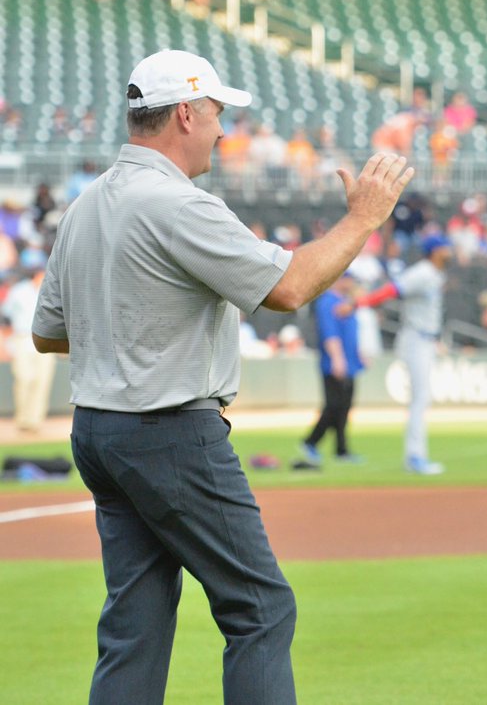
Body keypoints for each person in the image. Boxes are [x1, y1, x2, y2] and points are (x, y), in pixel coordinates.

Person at [30, 49, 414, 704]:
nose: (223, 129)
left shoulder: (88, 204)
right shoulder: (180, 205)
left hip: (97, 429)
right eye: (216, 113)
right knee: (260, 608)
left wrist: (131, 336)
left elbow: (47, 332)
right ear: (185, 112)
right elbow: (290, 287)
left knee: (135, 623)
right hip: (168, 431)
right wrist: (362, 220)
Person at [360, 234, 452, 474]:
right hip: (415, 338)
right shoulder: (422, 272)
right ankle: (414, 457)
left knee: (422, 398)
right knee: (420, 399)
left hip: (426, 338)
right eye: (444, 247)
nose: (449, 251)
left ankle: (416, 455)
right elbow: (391, 289)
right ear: (434, 251)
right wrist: (359, 303)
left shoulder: (435, 274)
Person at [299, 272, 367, 465]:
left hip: (349, 362)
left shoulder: (344, 302)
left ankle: (341, 449)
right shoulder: (328, 302)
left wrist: (357, 354)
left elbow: (350, 333)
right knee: (334, 406)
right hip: (335, 364)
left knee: (344, 408)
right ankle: (310, 441)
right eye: (347, 279)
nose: (350, 283)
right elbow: (330, 334)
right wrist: (337, 358)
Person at [3, 263, 58, 433]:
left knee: (42, 381)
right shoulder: (19, 291)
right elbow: (6, 316)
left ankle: (35, 421)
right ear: (36, 275)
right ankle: (23, 419)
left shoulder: (51, 292)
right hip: (23, 337)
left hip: (46, 340)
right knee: (24, 378)